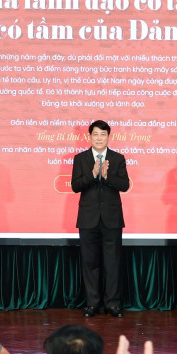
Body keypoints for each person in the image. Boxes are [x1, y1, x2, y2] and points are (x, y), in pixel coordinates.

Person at [71, 119, 130, 318]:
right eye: (95, 134)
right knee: (90, 263)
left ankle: (113, 304)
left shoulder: (118, 158)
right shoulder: (80, 159)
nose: (99, 138)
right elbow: (75, 185)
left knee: (112, 263)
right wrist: (93, 174)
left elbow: (124, 185)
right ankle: (92, 304)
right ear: (89, 136)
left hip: (112, 219)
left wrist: (106, 176)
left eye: (103, 134)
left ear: (108, 137)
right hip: (88, 219)